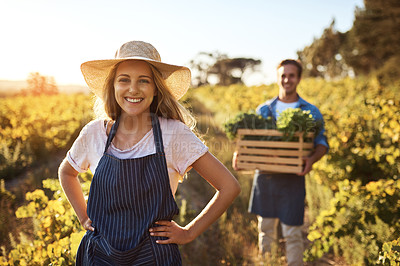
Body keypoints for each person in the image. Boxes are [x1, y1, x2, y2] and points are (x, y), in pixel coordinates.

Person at [59, 40, 241, 265]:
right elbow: (66, 172)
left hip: (153, 258)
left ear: (156, 89)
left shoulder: (173, 134)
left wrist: (188, 232)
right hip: (99, 256)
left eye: (143, 81)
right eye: (124, 80)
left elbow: (229, 187)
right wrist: (83, 216)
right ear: (113, 86)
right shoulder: (94, 132)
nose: (133, 89)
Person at [232, 59, 328, 266]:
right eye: (283, 75)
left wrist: (311, 160)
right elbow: (252, 142)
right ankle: (267, 262)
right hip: (265, 178)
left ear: (299, 78)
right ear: (278, 78)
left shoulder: (310, 111)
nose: (287, 80)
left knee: (292, 232)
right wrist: (241, 155)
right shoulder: (264, 110)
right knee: (265, 230)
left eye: (291, 75)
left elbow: (321, 142)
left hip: (293, 179)